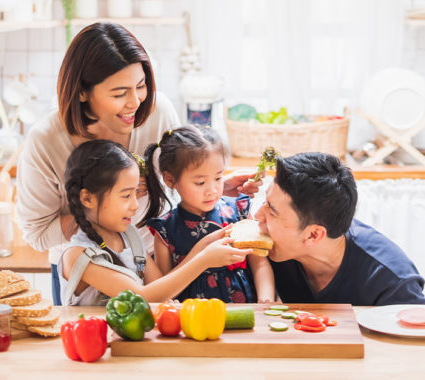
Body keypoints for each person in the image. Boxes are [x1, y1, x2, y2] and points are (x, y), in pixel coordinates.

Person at [15, 22, 262, 305]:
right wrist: (102, 204)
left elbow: (179, 168)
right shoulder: (46, 141)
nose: (135, 102)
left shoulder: (157, 111)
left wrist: (206, 184)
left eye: (141, 85)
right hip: (87, 271)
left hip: (147, 259)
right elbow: (36, 235)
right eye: (119, 93)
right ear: (82, 92)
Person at [59, 139, 251, 305]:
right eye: (126, 195)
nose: (135, 205)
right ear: (87, 199)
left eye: (136, 193)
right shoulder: (77, 256)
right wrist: (204, 260)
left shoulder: (129, 235)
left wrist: (202, 247)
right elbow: (144, 296)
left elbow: (162, 286)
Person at [255, 152, 425, 306]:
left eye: (271, 210)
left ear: (313, 235)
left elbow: (418, 339)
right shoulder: (275, 247)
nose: (257, 216)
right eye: (265, 202)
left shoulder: (391, 280)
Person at [141, 125, 275, 303]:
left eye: (218, 178)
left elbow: (259, 264)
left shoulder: (239, 212)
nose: (211, 190)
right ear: (170, 180)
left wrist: (266, 301)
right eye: (200, 182)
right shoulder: (165, 230)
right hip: (193, 317)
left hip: (243, 310)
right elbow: (167, 286)